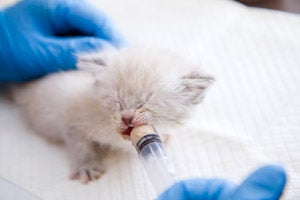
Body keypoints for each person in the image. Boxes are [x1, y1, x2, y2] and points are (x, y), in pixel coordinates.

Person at [0, 0, 287, 199]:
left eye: (145, 107)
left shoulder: (179, 88)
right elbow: (74, 126)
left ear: (191, 96)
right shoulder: (95, 91)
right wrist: (83, 161)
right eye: (116, 103)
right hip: (32, 98)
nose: (126, 116)